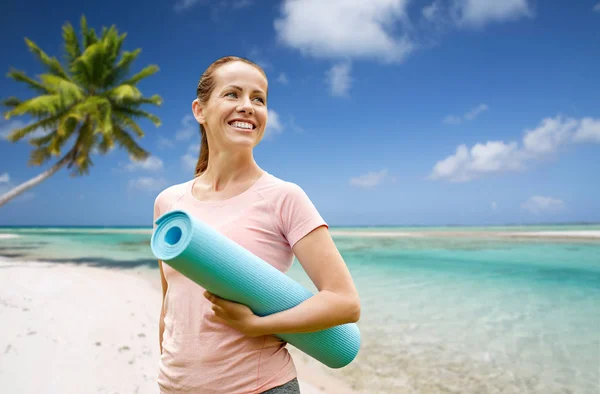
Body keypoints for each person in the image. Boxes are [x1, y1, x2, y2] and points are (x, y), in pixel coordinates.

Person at [153, 56, 361, 394]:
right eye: (232, 94)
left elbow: (345, 302)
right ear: (199, 110)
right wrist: (168, 370)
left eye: (258, 99)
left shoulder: (284, 197)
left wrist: (258, 325)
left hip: (260, 387)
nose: (247, 106)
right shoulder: (169, 204)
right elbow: (170, 304)